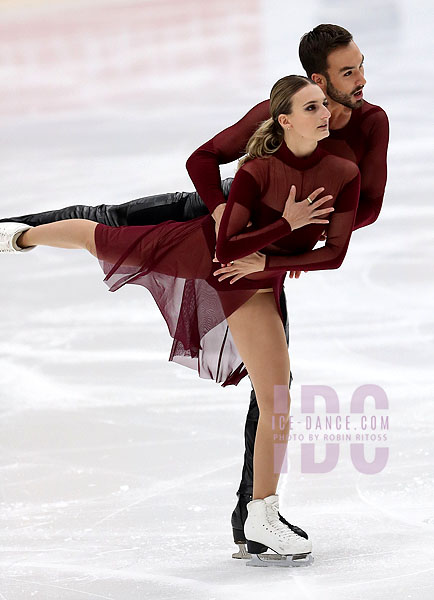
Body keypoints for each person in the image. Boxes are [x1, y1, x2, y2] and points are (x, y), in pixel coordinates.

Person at [0, 24, 389, 559]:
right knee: (108, 226)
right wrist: (230, 212)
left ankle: (256, 515)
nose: (363, 81)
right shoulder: (272, 131)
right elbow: (207, 167)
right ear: (313, 86)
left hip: (260, 254)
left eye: (361, 66)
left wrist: (301, 239)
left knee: (274, 385)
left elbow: (362, 210)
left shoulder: (367, 127)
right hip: (224, 222)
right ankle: (10, 232)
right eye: (349, 73)